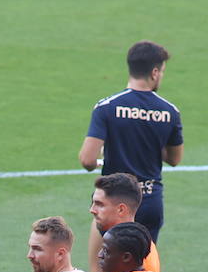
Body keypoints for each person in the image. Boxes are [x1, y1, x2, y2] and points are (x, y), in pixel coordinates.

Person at [78, 41, 184, 243]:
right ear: (154, 72)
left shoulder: (107, 107)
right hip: (150, 201)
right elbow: (175, 158)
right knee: (145, 270)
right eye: (162, 71)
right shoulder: (170, 112)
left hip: (114, 202)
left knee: (105, 268)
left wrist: (104, 157)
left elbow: (87, 159)